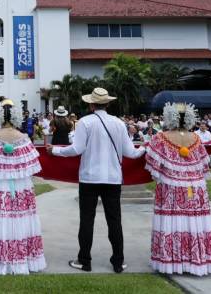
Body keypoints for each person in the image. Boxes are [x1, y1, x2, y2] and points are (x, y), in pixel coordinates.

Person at [46, 87, 145, 273]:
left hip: (90, 178)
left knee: (87, 220)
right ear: (107, 103)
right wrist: (145, 149)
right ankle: (118, 261)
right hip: (113, 178)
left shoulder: (85, 122)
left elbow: (76, 149)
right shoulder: (118, 123)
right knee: (115, 220)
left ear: (91, 104)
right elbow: (131, 152)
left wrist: (56, 150)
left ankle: (84, 260)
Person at [145, 102, 211, 276]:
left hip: (170, 188)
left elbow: (153, 168)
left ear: (169, 116)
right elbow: (203, 167)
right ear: (189, 118)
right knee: (194, 224)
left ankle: (173, 261)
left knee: (172, 223)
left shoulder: (161, 138)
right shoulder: (195, 138)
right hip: (195, 189)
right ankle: (195, 261)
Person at [0, 99, 46, 274]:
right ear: (16, 116)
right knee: (20, 218)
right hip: (20, 184)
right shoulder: (24, 139)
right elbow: (32, 168)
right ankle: (22, 259)